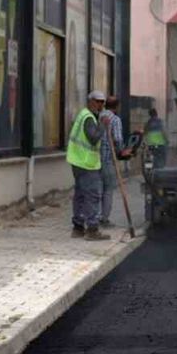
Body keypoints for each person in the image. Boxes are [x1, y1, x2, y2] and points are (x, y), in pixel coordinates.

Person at [68, 91, 108, 241]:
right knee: (92, 195)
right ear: (90, 101)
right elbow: (93, 138)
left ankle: (78, 228)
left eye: (102, 102)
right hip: (86, 163)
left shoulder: (84, 114)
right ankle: (92, 229)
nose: (101, 105)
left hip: (78, 161)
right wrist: (103, 126)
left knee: (80, 195)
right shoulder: (89, 118)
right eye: (98, 101)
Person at [98, 96, 125, 227]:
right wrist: (121, 151)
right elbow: (118, 139)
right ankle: (103, 219)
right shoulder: (115, 119)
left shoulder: (98, 116)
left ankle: (95, 216)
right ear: (117, 106)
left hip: (94, 160)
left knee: (98, 189)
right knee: (108, 189)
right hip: (108, 159)